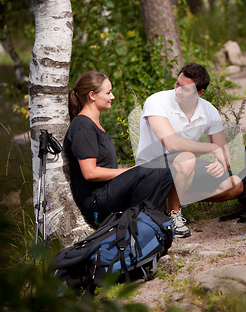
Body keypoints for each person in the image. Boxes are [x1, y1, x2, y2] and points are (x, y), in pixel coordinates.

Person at [136, 63, 244, 238]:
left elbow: (224, 154)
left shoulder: (209, 111)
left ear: (199, 92)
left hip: (183, 170)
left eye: (185, 89)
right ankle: (173, 215)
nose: (178, 90)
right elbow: (171, 143)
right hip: (151, 171)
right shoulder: (157, 101)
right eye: (177, 84)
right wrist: (212, 148)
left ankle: (172, 201)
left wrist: (221, 163)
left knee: (235, 185)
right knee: (186, 157)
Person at [64, 71, 174, 227]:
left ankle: (146, 219)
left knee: (168, 163)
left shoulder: (93, 125)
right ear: (92, 95)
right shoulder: (83, 127)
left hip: (108, 193)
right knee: (153, 167)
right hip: (97, 203)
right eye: (108, 92)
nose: (112, 97)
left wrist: (135, 171)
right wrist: (132, 171)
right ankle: (136, 223)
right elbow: (90, 173)